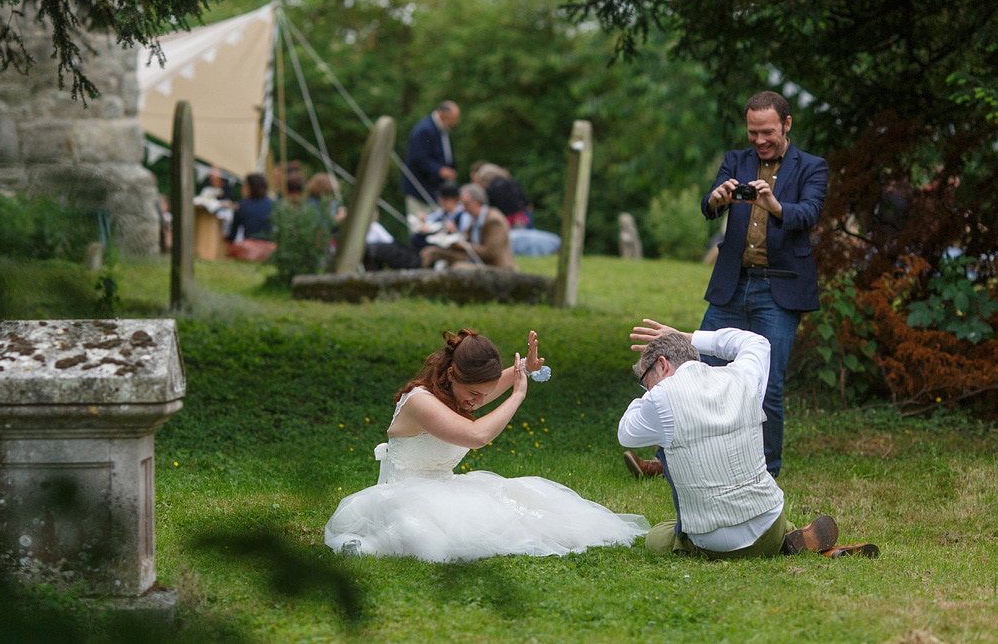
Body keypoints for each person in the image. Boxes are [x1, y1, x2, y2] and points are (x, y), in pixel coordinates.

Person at [624, 91, 828, 480]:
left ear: (787, 125)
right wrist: (717, 198)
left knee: (769, 386)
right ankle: (668, 462)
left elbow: (810, 213)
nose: (760, 140)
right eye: (753, 132)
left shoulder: (812, 167)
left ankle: (765, 473)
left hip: (779, 289)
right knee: (691, 372)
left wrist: (775, 206)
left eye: (767, 132)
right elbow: (708, 205)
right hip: (732, 284)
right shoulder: (737, 159)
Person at [325, 329, 649, 561]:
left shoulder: (457, 394)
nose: (478, 401)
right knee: (427, 539)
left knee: (528, 515)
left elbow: (485, 391)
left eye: (484, 394)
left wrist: (524, 370)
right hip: (402, 495)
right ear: (452, 373)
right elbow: (477, 436)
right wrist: (519, 394)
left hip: (446, 487)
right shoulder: (421, 403)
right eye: (475, 394)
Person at [618, 319, 878, 560]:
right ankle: (790, 538)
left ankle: (769, 543)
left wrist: (652, 394)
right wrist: (689, 337)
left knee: (657, 536)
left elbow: (626, 433)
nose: (647, 388)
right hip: (769, 522)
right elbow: (756, 342)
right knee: (766, 520)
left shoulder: (661, 398)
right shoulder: (742, 377)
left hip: (714, 542)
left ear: (662, 365)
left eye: (645, 380)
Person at [419, 183, 516, 271]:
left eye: (466, 204)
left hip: (496, 267)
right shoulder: (475, 218)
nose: (463, 209)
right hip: (475, 259)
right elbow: (467, 239)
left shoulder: (493, 220)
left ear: (477, 203)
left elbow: (491, 253)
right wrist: (454, 234)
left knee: (459, 268)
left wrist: (463, 245)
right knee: (430, 252)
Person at [400, 101, 460, 230]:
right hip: (419, 190)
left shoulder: (441, 129)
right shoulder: (424, 129)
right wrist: (439, 170)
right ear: (444, 114)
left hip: (435, 190)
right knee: (419, 228)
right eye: (454, 119)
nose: (455, 123)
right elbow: (417, 158)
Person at [225, 172, 276, 261]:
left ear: (249, 187)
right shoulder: (272, 204)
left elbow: (232, 235)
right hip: (270, 248)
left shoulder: (242, 205)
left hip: (249, 247)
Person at [409, 181, 465, 253]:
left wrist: (454, 230)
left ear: (455, 200)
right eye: (441, 199)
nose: (441, 202)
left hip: (453, 247)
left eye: (445, 200)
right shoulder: (442, 212)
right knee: (416, 238)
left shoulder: (463, 214)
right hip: (439, 241)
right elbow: (430, 219)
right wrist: (423, 220)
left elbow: (465, 234)